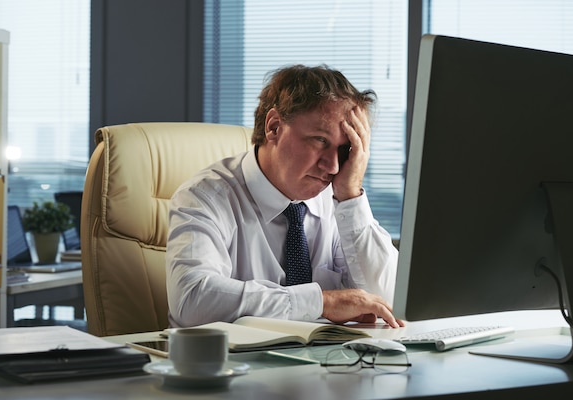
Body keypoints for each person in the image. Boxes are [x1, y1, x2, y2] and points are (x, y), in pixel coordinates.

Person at [166, 64, 404, 329]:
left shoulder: (338, 202)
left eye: (344, 149)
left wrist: (350, 197)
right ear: (274, 127)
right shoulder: (204, 197)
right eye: (320, 140)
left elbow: (392, 301)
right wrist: (322, 303)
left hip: (327, 366)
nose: (333, 166)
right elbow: (192, 301)